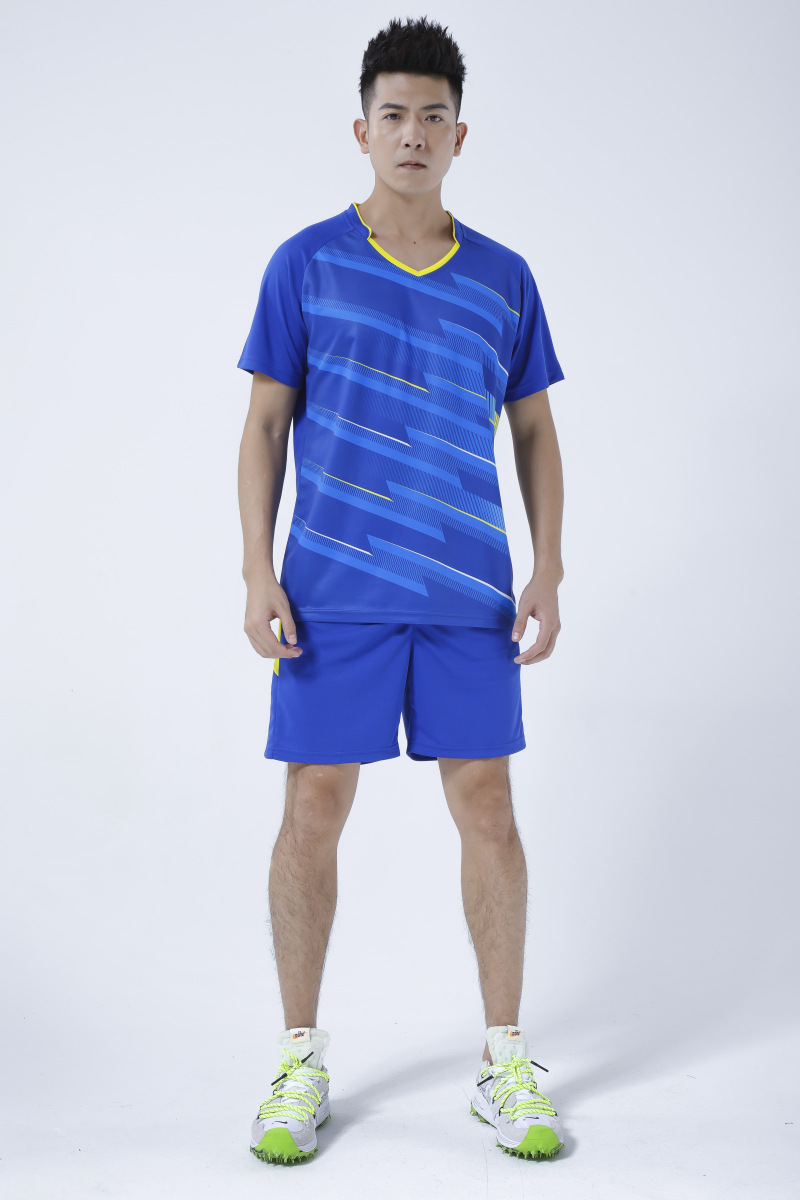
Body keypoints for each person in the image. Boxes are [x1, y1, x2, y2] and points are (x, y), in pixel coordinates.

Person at [236, 15, 567, 1165]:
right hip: (331, 593)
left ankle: (503, 1058)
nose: (412, 134)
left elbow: (534, 430)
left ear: (458, 134)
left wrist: (548, 564)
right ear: (361, 129)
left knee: (487, 809)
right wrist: (256, 568)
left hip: (468, 594)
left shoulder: (504, 278)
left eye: (432, 116)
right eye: (393, 115)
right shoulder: (304, 264)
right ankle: (296, 1057)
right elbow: (264, 424)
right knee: (311, 809)